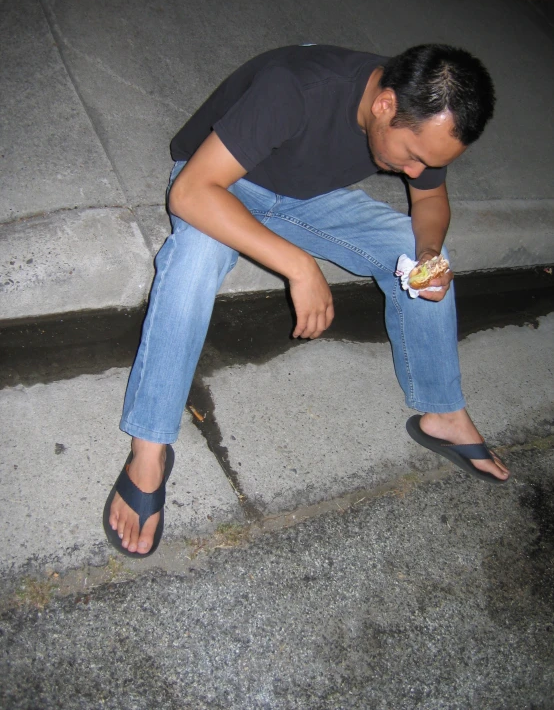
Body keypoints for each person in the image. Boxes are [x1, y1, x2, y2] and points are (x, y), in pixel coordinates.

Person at [103, 43, 510, 558]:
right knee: (195, 258)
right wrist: (298, 265)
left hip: (307, 199)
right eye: (413, 156)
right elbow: (189, 192)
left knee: (419, 251)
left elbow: (430, 199)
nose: (413, 173)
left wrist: (427, 252)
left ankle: (443, 413)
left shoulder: (420, 112)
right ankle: (149, 447)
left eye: (427, 162)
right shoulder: (294, 87)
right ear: (383, 104)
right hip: (224, 180)